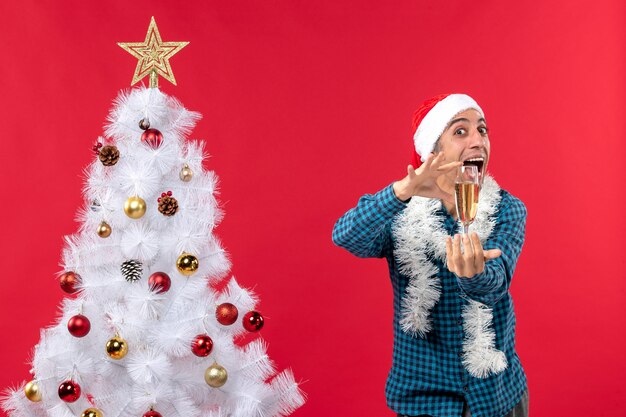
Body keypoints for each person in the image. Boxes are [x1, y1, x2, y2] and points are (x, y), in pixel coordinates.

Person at [332, 93, 529, 417]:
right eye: (461, 131)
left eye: (483, 129)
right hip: (424, 400)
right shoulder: (400, 212)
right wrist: (401, 192)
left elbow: (497, 281)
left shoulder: (508, 208)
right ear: (433, 152)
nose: (478, 140)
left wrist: (475, 274)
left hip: (496, 397)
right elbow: (346, 236)